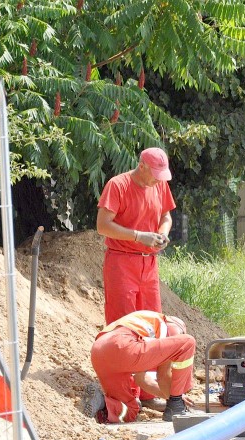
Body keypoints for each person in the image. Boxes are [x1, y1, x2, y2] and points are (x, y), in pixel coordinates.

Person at [96, 147, 177, 410]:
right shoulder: (117, 186)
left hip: (149, 264)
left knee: (153, 324)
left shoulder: (160, 185)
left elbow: (166, 215)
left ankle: (148, 391)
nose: (158, 180)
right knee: (125, 326)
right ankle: (126, 395)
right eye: (154, 174)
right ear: (141, 165)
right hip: (121, 262)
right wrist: (137, 236)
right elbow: (102, 225)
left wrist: (162, 232)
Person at [83, 310, 195, 423]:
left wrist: (172, 396)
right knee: (188, 342)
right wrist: (176, 398)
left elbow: (142, 380)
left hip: (99, 353)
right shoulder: (166, 325)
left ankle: (103, 402)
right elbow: (163, 376)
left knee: (130, 411)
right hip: (121, 345)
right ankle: (175, 406)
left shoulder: (144, 322)